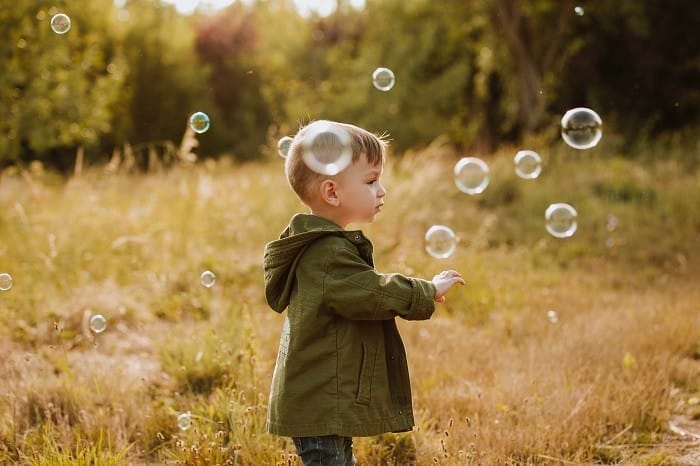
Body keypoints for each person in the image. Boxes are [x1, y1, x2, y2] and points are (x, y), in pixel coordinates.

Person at [263, 120, 465, 466]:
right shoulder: (326, 254)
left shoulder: (326, 248)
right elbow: (372, 292)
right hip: (321, 398)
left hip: (326, 395)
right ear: (332, 192)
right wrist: (426, 290)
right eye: (371, 180)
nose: (382, 190)